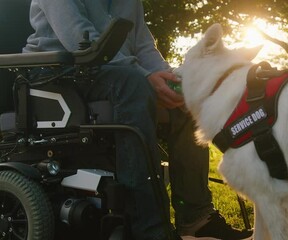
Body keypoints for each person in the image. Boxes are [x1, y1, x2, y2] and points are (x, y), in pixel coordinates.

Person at [23, 0, 253, 239]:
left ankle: (196, 217)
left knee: (184, 96)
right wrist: (145, 77)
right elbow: (80, 39)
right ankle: (149, 228)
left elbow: (143, 47)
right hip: (56, 72)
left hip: (110, 72)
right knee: (134, 86)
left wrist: (169, 80)